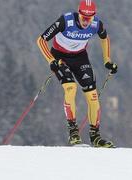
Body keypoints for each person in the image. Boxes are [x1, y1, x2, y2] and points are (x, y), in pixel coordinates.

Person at [36, 0, 117, 147]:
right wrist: (50, 60)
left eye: (90, 18)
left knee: (92, 95)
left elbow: (104, 38)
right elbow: (41, 40)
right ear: (78, 14)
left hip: (80, 57)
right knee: (70, 88)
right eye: (83, 18)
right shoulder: (65, 21)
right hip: (60, 57)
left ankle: (95, 137)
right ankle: (73, 132)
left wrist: (107, 60)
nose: (86, 21)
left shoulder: (96, 24)